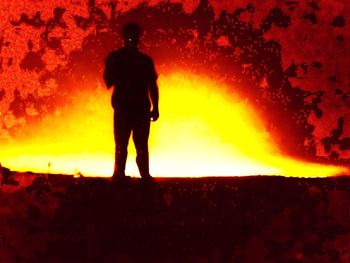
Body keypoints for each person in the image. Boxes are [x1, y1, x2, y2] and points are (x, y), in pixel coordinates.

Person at [103, 22, 159, 183]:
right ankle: (133, 175)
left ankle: (129, 174)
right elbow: (109, 79)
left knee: (133, 144)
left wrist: (156, 107)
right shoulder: (139, 60)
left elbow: (152, 85)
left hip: (132, 107)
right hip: (130, 107)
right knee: (129, 143)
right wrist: (155, 107)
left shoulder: (137, 60)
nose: (132, 39)